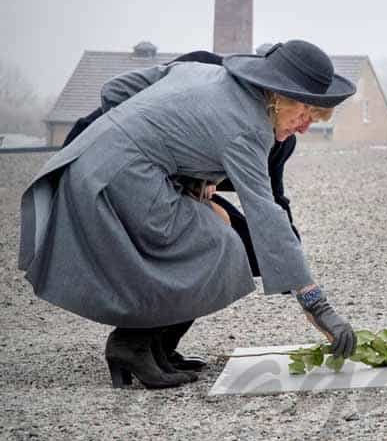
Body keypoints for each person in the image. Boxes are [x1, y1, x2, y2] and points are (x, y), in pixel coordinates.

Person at [18, 40, 358, 389]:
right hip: (125, 180)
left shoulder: (202, 72)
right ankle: (131, 344)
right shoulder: (248, 129)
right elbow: (265, 214)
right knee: (220, 245)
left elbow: (114, 91)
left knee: (216, 227)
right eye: (304, 115)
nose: (304, 128)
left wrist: (162, 147)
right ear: (278, 97)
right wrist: (317, 306)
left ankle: (155, 347)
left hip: (91, 165)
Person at [61, 49, 302, 373]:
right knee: (205, 242)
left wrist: (292, 265)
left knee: (249, 248)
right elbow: (124, 101)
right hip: (119, 172)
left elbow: (270, 201)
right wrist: (184, 175)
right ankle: (133, 341)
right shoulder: (208, 72)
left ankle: (161, 343)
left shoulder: (282, 139)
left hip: (176, 184)